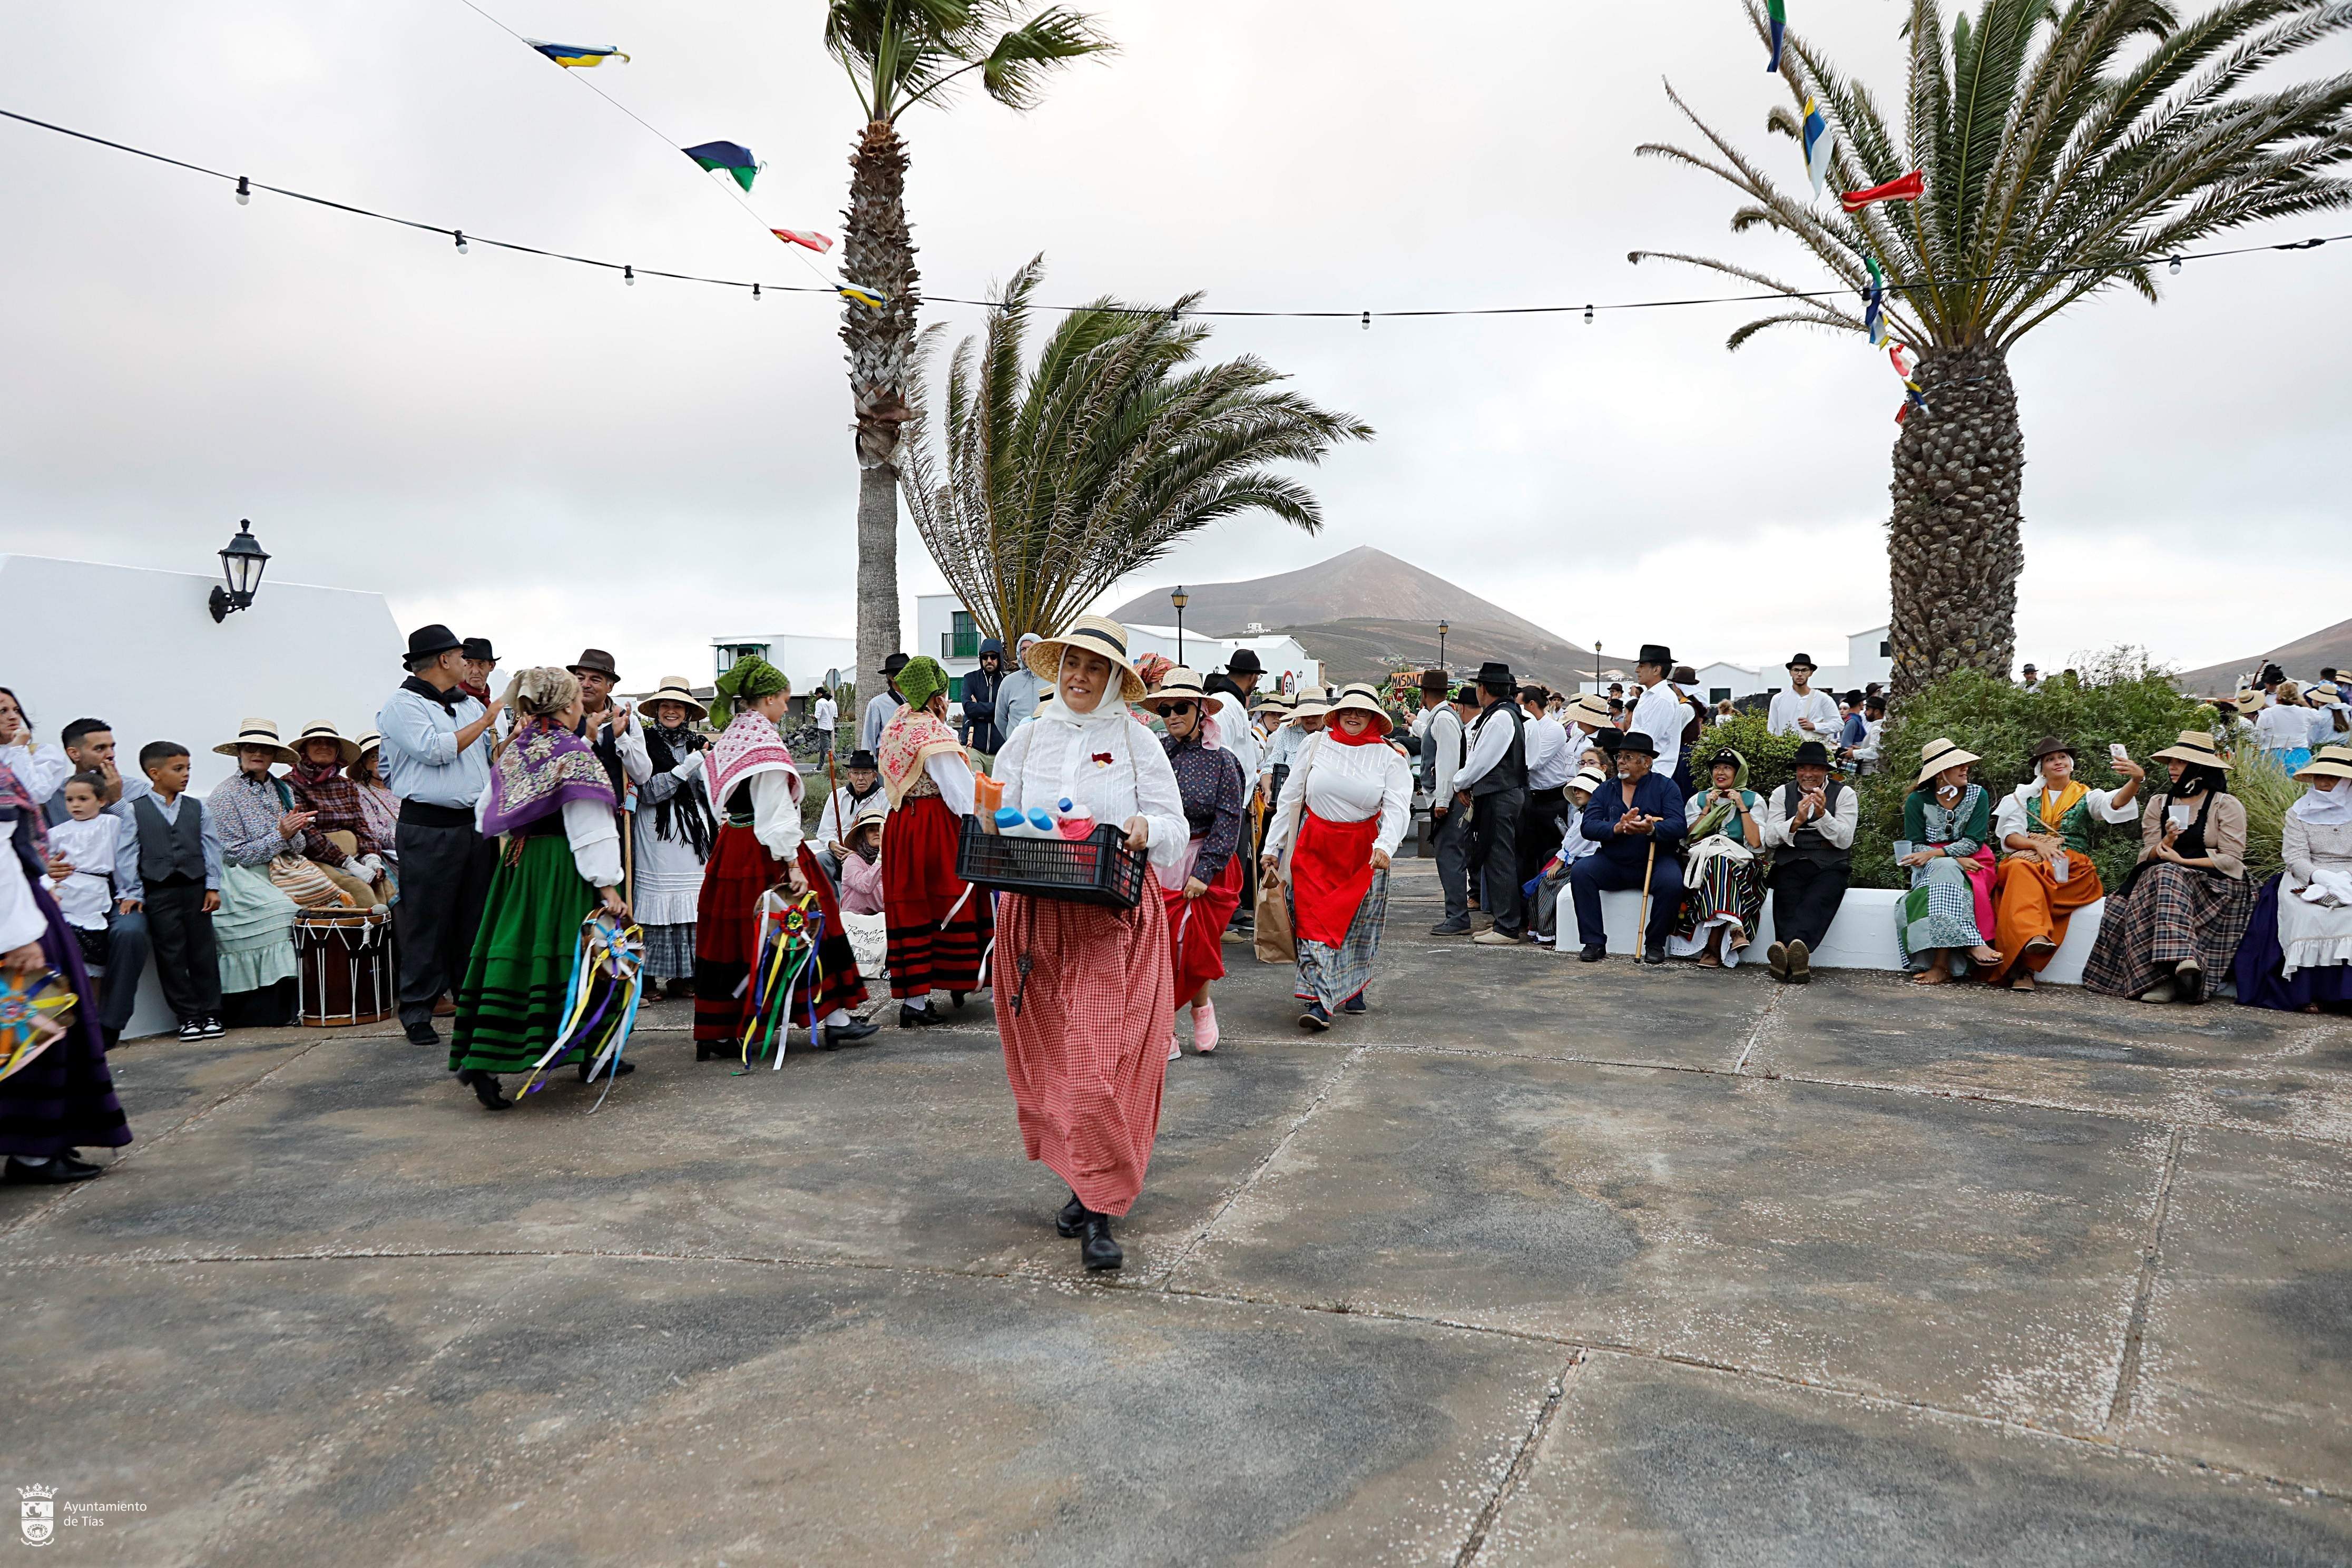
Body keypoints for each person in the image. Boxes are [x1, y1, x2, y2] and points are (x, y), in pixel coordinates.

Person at [986, 616, 1185, 1272]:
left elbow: (1174, 828)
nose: (1079, 676)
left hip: (1111, 917)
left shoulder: (1136, 742)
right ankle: (1084, 1182)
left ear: (1114, 680)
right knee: (1055, 1061)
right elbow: (999, 814)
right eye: (1071, 663)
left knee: (1099, 1064)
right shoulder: (1028, 737)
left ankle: (1099, 1212)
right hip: (1036, 917)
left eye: (1094, 667)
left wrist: (1143, 827)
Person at [444, 668, 632, 1110]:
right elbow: (590, 828)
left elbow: (484, 814)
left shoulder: (517, 751)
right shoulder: (575, 756)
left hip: (520, 866)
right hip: (561, 868)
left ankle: (483, 1057)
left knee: (513, 956)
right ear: (569, 706)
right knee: (583, 959)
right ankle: (591, 1053)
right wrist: (608, 887)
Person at [693, 655, 877, 1059]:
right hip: (766, 851)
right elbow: (775, 810)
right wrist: (793, 864)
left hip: (732, 844)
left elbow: (714, 797)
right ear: (771, 699)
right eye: (785, 697)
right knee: (812, 920)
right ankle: (836, 1020)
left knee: (734, 936)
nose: (787, 703)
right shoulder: (764, 743)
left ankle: (718, 1028)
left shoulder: (733, 737)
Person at [0, 752, 131, 1183]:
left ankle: (45, 1141)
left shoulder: (11, 769)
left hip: (28, 908)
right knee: (32, 1028)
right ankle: (33, 1150)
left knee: (49, 1024)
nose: (10, 718)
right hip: (16, 919)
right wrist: (17, 933)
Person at [378, 624, 505, 1047]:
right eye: (459, 655)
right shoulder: (402, 705)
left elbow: (488, 758)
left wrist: (510, 738)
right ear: (444, 661)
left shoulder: (467, 705)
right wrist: (488, 719)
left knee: (473, 919)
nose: (466, 663)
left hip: (472, 824)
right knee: (427, 921)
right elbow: (434, 751)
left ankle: (471, 1002)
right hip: (427, 824)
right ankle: (417, 1010)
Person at [1261, 682, 1412, 1028]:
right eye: (1348, 709)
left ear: (1375, 717)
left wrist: (1386, 846)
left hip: (1362, 853)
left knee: (1352, 928)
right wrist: (1272, 846)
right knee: (1314, 926)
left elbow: (1398, 808)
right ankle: (1318, 1003)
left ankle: (1352, 985)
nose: (1354, 716)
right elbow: (1291, 798)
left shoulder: (1391, 757)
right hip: (1313, 846)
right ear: (1337, 713)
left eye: (1363, 711)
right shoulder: (1316, 745)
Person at [2084, 731, 2253, 1005]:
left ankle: (2172, 973)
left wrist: (2183, 861)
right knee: (2140, 891)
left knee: (2167, 875)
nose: (2172, 768)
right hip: (2164, 878)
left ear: (2200, 767)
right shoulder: (2160, 803)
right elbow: (2148, 853)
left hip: (2213, 882)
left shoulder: (2224, 804)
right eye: (2171, 762)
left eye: (2180, 762)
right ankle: (2173, 970)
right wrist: (2167, 841)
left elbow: (2232, 859)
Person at [876, 655, 991, 1028]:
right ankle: (954, 981)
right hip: (932, 827)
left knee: (910, 904)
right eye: (943, 692)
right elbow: (958, 793)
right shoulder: (934, 733)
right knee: (949, 896)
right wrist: (985, 820)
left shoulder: (896, 724)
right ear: (935, 694)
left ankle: (914, 995)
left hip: (899, 825)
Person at [1139, 669, 1248, 1053]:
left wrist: (1203, 871)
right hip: (1161, 860)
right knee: (1160, 947)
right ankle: (1164, 1028)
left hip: (1206, 862)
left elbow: (1230, 820)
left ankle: (1201, 1009)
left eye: (1180, 707)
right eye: (1165, 708)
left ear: (1201, 710)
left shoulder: (1223, 762)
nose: (1172, 716)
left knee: (1194, 946)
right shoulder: (1155, 753)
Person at [1984, 736, 2143, 992]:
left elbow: (2115, 804)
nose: (2057, 762)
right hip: (2031, 862)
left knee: (2018, 887)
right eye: (2050, 759)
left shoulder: (2088, 796)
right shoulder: (2023, 797)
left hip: (2071, 870)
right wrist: (2038, 845)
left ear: (2070, 764)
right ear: (2041, 769)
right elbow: (2011, 836)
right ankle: (2032, 946)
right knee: (2016, 869)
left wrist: (2135, 780)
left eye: (2062, 758)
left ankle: (2024, 965)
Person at [35, 719, 152, 1046]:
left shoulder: (136, 789)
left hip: (124, 891)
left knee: (130, 933)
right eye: (100, 748)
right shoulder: (51, 796)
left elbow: (141, 841)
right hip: (71, 893)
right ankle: (61, 1026)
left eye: (112, 747)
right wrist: (47, 865)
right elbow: (38, 845)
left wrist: (115, 802)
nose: (110, 755)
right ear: (74, 754)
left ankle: (108, 1026)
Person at [2234, 744, 2352, 1012]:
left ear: (2346, 781)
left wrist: (2344, 878)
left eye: (2332, 778)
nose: (2324, 782)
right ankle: (2307, 993)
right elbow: (2295, 855)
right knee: (2307, 915)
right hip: (2308, 874)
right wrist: (2320, 877)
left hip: (2350, 873)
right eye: (2320, 776)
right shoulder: (2299, 812)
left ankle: (2345, 995)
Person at [117, 742, 222, 1039]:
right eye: (178, 769)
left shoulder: (197, 808)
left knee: (203, 952)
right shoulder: (134, 810)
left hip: (195, 889)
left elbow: (211, 848)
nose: (186, 775)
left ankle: (212, 1013)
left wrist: (212, 886)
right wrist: (133, 893)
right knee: (171, 955)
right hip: (159, 892)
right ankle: (188, 1016)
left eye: (188, 769)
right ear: (155, 773)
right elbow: (127, 855)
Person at [632, 677, 718, 1001]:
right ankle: (650, 977)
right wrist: (685, 769)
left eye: (677, 706)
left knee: (692, 901)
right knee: (657, 901)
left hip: (694, 832)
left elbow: (709, 793)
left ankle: (685, 977)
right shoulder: (645, 742)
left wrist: (707, 772)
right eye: (665, 706)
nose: (671, 711)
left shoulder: (699, 742)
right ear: (656, 710)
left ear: (688, 712)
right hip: (658, 830)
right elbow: (648, 791)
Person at [1568, 730, 1686, 963]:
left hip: (1654, 861)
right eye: (1620, 756)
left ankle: (1655, 943)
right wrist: (1616, 828)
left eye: (1629, 757)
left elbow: (1679, 826)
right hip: (1614, 860)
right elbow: (1589, 826)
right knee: (1581, 872)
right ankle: (1594, 942)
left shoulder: (1666, 787)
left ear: (1647, 762)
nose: (1621, 762)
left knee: (1673, 882)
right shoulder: (1605, 789)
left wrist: (1651, 829)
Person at [1894, 738, 2004, 984]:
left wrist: (1950, 857)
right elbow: (1916, 845)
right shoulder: (1917, 801)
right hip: (1929, 865)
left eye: (1965, 764)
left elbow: (1974, 841)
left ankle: (1942, 965)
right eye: (1958, 765)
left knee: (1946, 870)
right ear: (1940, 773)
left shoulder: (1978, 795)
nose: (1966, 769)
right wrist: (1951, 860)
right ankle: (1971, 943)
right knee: (1945, 871)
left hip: (1975, 860)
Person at [1758, 740, 1857, 983]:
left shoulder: (1845, 794)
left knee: (1819, 898)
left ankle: (1785, 952)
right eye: (1802, 768)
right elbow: (1769, 839)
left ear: (1826, 771)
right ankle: (1796, 962)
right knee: (1786, 897)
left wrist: (1823, 816)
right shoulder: (1782, 793)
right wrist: (1796, 820)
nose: (1808, 774)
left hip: (1830, 862)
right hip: (1792, 859)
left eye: (1815, 769)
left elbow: (1845, 840)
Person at [1669, 748, 1766, 968]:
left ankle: (1711, 950)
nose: (1720, 773)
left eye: (1727, 768)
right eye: (1716, 767)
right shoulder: (1700, 799)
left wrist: (1742, 807)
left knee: (1721, 865)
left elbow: (1757, 844)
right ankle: (1735, 929)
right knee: (1719, 865)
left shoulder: (1753, 800)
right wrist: (1706, 811)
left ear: (1738, 772)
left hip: (1743, 867)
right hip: (1704, 864)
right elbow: (1689, 840)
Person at [1458, 662, 1529, 946]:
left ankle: (1508, 927)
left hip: (1501, 795)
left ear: (1483, 689)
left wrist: (1459, 782)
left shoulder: (1501, 717)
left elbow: (1482, 761)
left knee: (1501, 859)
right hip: (1501, 793)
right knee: (1495, 857)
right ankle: (1503, 921)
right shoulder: (1503, 714)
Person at [283, 722, 388, 906]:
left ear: (337, 751)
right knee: (358, 889)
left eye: (330, 743)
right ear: (305, 750)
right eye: (316, 742)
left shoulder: (346, 785)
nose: (324, 746)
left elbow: (361, 824)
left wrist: (371, 857)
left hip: (356, 854)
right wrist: (347, 863)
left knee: (387, 884)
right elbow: (307, 831)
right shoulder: (290, 784)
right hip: (318, 857)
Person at [45, 773, 125, 989]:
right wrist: (48, 870)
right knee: (63, 955)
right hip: (64, 893)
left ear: (101, 800)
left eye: (83, 799)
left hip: (94, 895)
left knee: (93, 960)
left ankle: (93, 1017)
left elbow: (125, 857)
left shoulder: (111, 824)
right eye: (70, 800)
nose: (75, 805)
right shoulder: (57, 833)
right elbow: (41, 861)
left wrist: (127, 891)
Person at [1413, 671, 1471, 935]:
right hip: (1443, 798)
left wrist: (1443, 800)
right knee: (1448, 857)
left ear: (1424, 694)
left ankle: (1458, 917)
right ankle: (1455, 914)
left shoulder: (1444, 718)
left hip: (1444, 800)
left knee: (1449, 857)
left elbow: (1447, 763)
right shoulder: (1443, 717)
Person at [1530, 766, 1604, 949]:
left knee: (1550, 884)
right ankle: (1540, 928)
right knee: (1539, 883)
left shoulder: (1592, 816)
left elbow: (1576, 842)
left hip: (1584, 863)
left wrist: (1560, 862)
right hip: (1576, 860)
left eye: (1582, 789)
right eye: (1575, 789)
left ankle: (1549, 932)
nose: (1577, 792)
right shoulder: (1582, 814)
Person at [569, 649, 650, 807]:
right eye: (580, 678)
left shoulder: (627, 721)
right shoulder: (564, 718)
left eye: (595, 680)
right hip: (571, 821)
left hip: (614, 821)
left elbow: (642, 775)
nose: (586, 685)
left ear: (610, 686)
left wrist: (622, 737)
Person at [1517, 682, 1573, 901]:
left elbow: (1534, 762)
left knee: (1549, 855)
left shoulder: (1554, 729)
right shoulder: (1528, 727)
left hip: (1552, 799)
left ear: (1531, 705)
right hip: (1532, 798)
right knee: (1527, 855)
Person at [816, 750, 886, 880]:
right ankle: (834, 900)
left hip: (871, 857)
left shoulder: (884, 797)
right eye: (856, 773)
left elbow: (887, 833)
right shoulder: (837, 796)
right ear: (849, 775)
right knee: (821, 860)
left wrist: (859, 854)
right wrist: (833, 845)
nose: (860, 778)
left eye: (865, 773)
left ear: (875, 775)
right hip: (841, 854)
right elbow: (825, 832)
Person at [1625, 645, 1688, 787]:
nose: (1637, 670)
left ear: (1656, 669)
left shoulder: (1663, 699)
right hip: (1644, 770)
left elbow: (1646, 741)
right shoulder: (1650, 696)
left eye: (1642, 666)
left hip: (1654, 773)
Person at [0, 688, 69, 809]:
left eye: (17, 710)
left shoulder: (42, 753)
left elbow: (32, 794)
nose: (13, 717)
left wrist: (18, 748)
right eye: (3, 711)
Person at [347, 733, 401, 873]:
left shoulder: (403, 788)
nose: (383, 760)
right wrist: (409, 839)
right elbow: (373, 830)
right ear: (363, 764)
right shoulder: (359, 792)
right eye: (375, 757)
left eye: (387, 754)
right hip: (392, 855)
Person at [1767, 655, 1841, 740]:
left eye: (1804, 670)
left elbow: (1838, 725)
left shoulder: (1823, 699)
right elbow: (1772, 729)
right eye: (1796, 670)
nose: (1800, 674)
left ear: (1811, 673)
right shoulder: (1778, 699)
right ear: (1790, 673)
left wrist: (1815, 726)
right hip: (1785, 750)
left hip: (1813, 750)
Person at [994, 632, 1049, 738]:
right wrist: (1012, 739)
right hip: (1017, 749)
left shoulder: (1053, 681)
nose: (1027, 652)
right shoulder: (1008, 682)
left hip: (1046, 748)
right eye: (1023, 649)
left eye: (1031, 648)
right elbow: (1000, 719)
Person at [959, 639, 1007, 759]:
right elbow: (969, 708)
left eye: (993, 656)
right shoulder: (971, 679)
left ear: (1000, 657)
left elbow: (1008, 711)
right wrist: (996, 709)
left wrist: (980, 712)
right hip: (974, 747)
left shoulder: (1007, 682)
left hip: (1000, 751)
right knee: (974, 779)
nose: (989, 661)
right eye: (985, 657)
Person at [2255, 682, 2315, 774]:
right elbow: (2318, 717)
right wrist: (2303, 702)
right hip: (2300, 755)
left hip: (2273, 755)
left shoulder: (2268, 713)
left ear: (2278, 696)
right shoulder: (2305, 712)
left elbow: (2258, 738)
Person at [861, 653, 908, 754]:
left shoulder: (920, 702)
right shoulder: (878, 704)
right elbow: (869, 741)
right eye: (906, 673)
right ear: (892, 677)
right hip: (886, 763)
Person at [458, 637, 499, 708]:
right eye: (469, 663)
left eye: (481, 664)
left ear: (492, 666)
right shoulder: (452, 703)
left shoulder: (496, 705)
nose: (475, 671)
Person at [810, 685, 839, 766]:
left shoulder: (819, 702)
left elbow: (817, 716)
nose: (816, 696)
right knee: (823, 747)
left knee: (826, 748)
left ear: (819, 694)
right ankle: (820, 766)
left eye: (817, 695)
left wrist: (813, 717)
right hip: (830, 728)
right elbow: (835, 716)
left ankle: (839, 764)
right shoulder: (833, 702)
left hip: (823, 727)